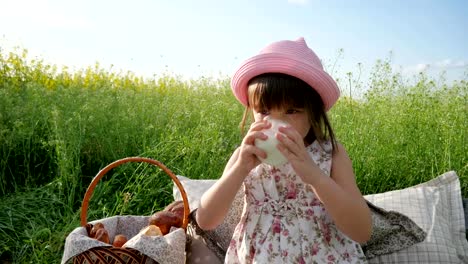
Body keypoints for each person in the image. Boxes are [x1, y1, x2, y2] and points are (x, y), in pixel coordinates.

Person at [195, 37, 372, 263]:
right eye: (265, 111)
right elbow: (206, 220)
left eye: (291, 111)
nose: (277, 123)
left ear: (313, 114)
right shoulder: (245, 155)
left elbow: (362, 231)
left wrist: (315, 177)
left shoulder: (330, 154)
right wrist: (240, 169)